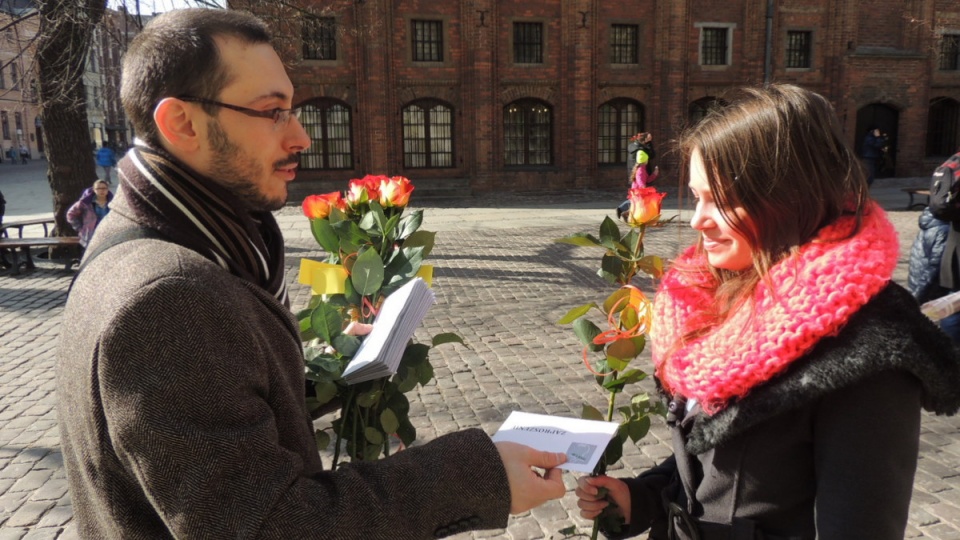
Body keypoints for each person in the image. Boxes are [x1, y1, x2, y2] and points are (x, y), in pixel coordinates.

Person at [57, 9, 565, 539]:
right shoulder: (168, 297)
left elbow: (217, 414)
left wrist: (330, 374)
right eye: (272, 111)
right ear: (182, 124)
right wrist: (480, 473)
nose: (300, 137)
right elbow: (274, 524)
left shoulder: (158, 241)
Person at [575, 84, 960, 539]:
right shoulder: (712, 294)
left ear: (789, 196)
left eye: (722, 200)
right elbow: (712, 452)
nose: (698, 220)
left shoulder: (867, 344)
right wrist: (641, 497)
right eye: (698, 197)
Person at [66, 179, 113, 248]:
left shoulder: (113, 202)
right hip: (91, 235)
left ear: (107, 189)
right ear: (94, 190)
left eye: (104, 188)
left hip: (109, 234)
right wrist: (79, 228)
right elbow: (70, 214)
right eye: (98, 188)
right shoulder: (85, 202)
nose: (101, 190)